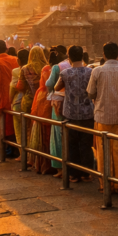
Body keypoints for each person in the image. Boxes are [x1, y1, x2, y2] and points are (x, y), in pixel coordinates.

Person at [87, 42, 118, 193]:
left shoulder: (97, 71)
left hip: (102, 116)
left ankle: (105, 183)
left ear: (104, 55)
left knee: (103, 151)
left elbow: (91, 93)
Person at [53, 45, 95, 182]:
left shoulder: (65, 73)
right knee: (86, 144)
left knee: (72, 145)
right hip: (87, 113)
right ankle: (87, 173)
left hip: (70, 113)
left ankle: (74, 174)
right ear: (82, 57)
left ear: (69, 57)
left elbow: (56, 87)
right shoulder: (90, 72)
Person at [0, 40, 19, 159]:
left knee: (4, 124)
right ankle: (14, 148)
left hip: (2, 96)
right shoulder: (15, 59)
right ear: (6, 49)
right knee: (14, 123)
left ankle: (7, 148)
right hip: (15, 95)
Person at [28, 48, 55, 174]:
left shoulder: (43, 70)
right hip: (51, 100)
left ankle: (42, 165)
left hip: (41, 98)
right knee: (50, 135)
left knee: (42, 134)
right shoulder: (47, 68)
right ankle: (51, 164)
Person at [46, 45, 69, 176]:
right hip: (72, 105)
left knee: (57, 136)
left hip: (58, 105)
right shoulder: (78, 65)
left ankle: (60, 168)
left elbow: (49, 84)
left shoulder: (57, 67)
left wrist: (52, 93)